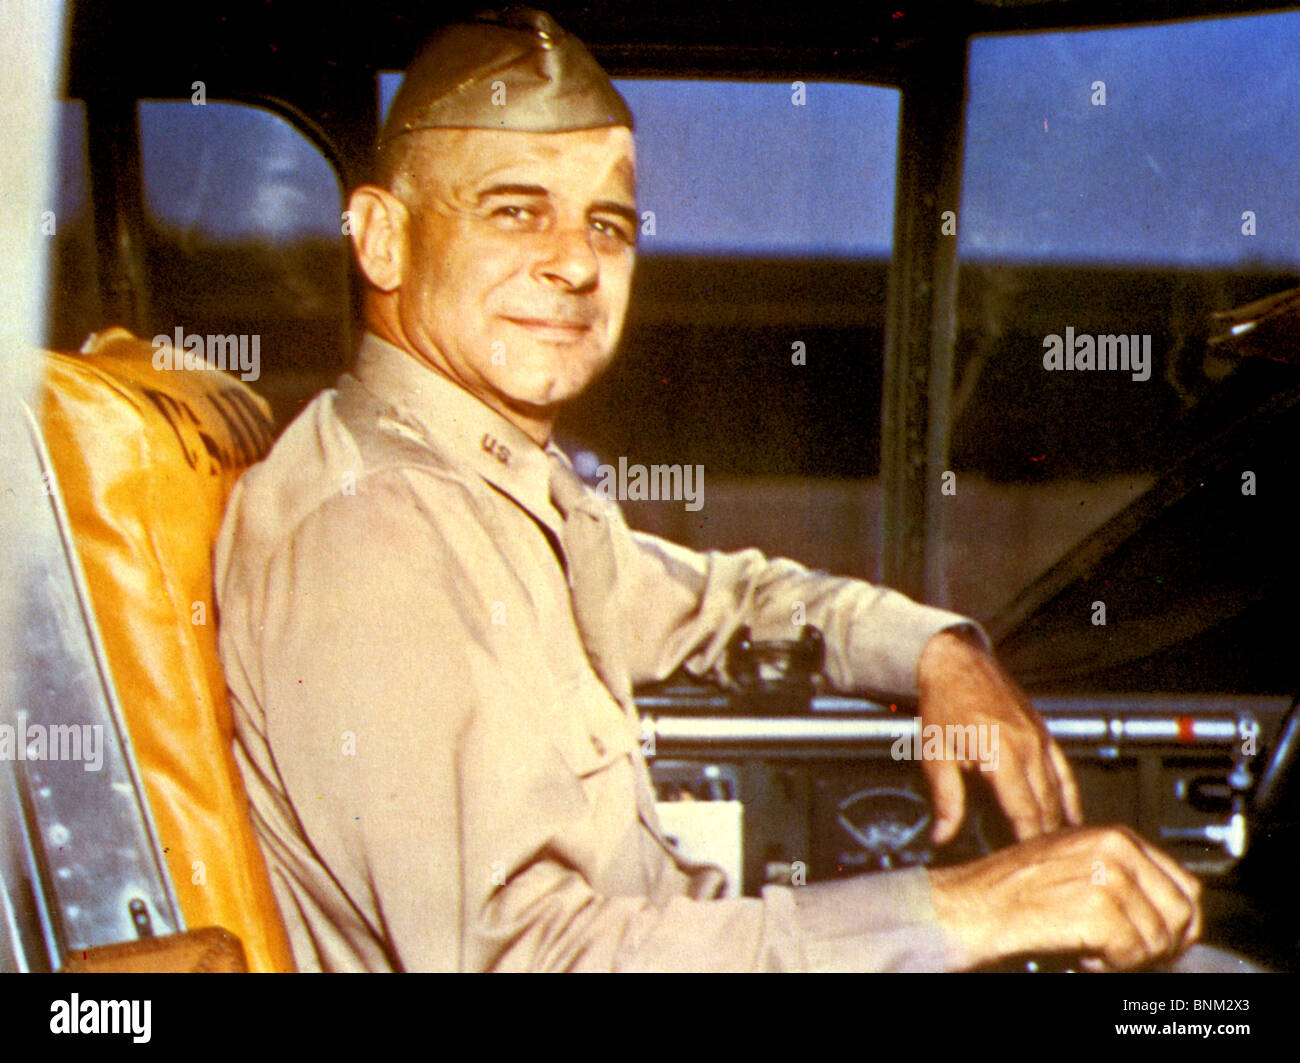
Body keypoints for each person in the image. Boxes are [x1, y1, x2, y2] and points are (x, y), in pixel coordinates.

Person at [214, 6, 1205, 972]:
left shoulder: (496, 491)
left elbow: (724, 603)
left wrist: (934, 652)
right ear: (382, 238)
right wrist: (966, 910)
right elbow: (518, 959)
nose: (571, 263)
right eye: (514, 210)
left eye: (607, 226)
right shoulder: (375, 525)